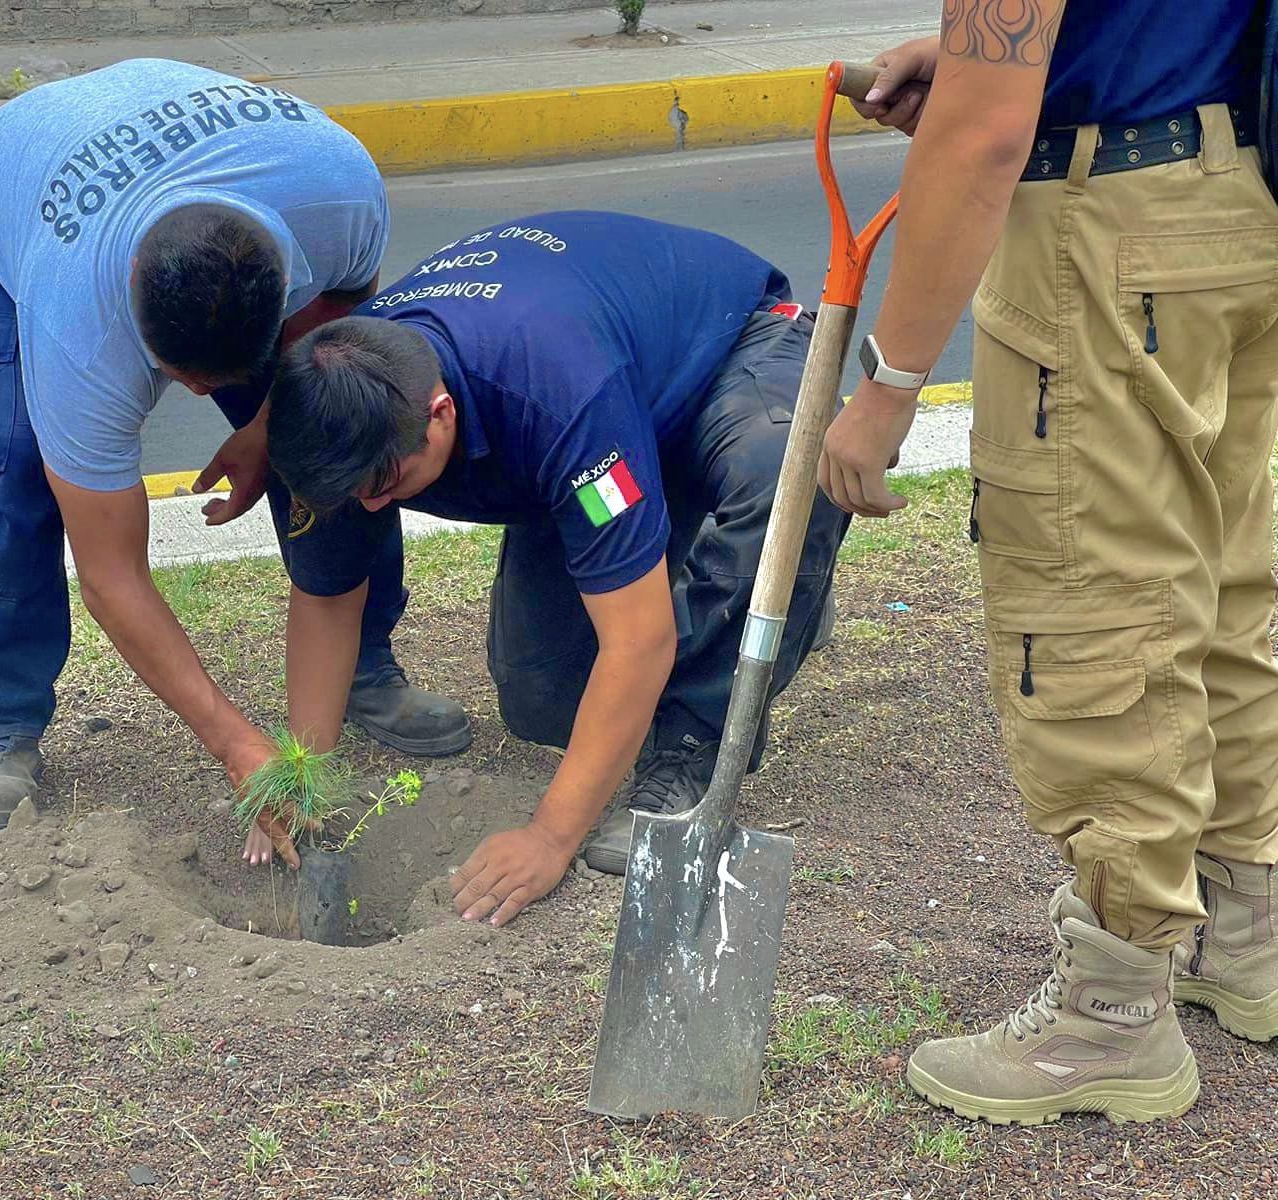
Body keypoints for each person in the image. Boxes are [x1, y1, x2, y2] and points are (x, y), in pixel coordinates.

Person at [826, 3, 1276, 1124]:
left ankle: (1113, 1009)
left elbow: (980, 138)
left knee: (1091, 594)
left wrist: (888, 385)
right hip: (1232, 202)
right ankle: (1245, 923)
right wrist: (1013, 60)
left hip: (1102, 228)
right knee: (1220, 582)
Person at [0, 59, 470, 839]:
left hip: (226, 152)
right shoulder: (78, 321)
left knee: (332, 418)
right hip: (16, 190)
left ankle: (362, 663)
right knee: (16, 458)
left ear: (284, 282)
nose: (191, 398)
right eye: (177, 376)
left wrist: (266, 427)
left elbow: (348, 319)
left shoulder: (340, 196)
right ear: (133, 304)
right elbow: (111, 573)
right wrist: (235, 744)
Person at [260, 210, 846, 924]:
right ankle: (729, 577)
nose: (366, 503)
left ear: (441, 413)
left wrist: (550, 836)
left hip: (731, 348)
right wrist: (302, 780)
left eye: (383, 488)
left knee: (784, 470)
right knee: (546, 704)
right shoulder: (337, 414)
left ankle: (713, 705)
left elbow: (639, 643)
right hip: (600, 404)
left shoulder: (555, 391)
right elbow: (326, 601)